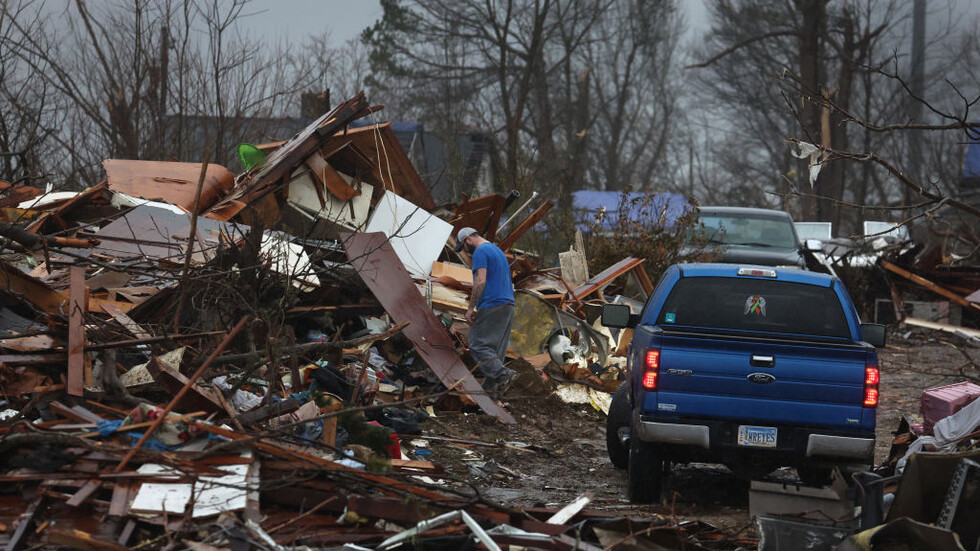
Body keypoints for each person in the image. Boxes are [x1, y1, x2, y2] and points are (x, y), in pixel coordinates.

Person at [453, 227, 516, 394]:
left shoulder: (480, 251)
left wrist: (470, 308)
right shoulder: (497, 251)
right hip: (508, 306)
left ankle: (508, 376)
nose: (466, 252)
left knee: (478, 345)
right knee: (495, 353)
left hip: (492, 304)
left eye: (463, 247)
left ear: (467, 239)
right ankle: (491, 396)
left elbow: (480, 281)